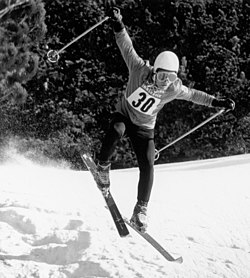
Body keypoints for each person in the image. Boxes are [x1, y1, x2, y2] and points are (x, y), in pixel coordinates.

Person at [95, 7, 235, 232]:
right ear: (155, 70)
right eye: (161, 76)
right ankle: (103, 167)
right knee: (116, 131)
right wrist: (118, 23)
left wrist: (217, 102)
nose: (164, 82)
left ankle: (140, 210)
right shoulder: (139, 69)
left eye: (170, 78)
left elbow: (194, 95)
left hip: (144, 127)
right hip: (124, 115)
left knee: (148, 165)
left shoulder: (173, 88)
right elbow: (126, 45)